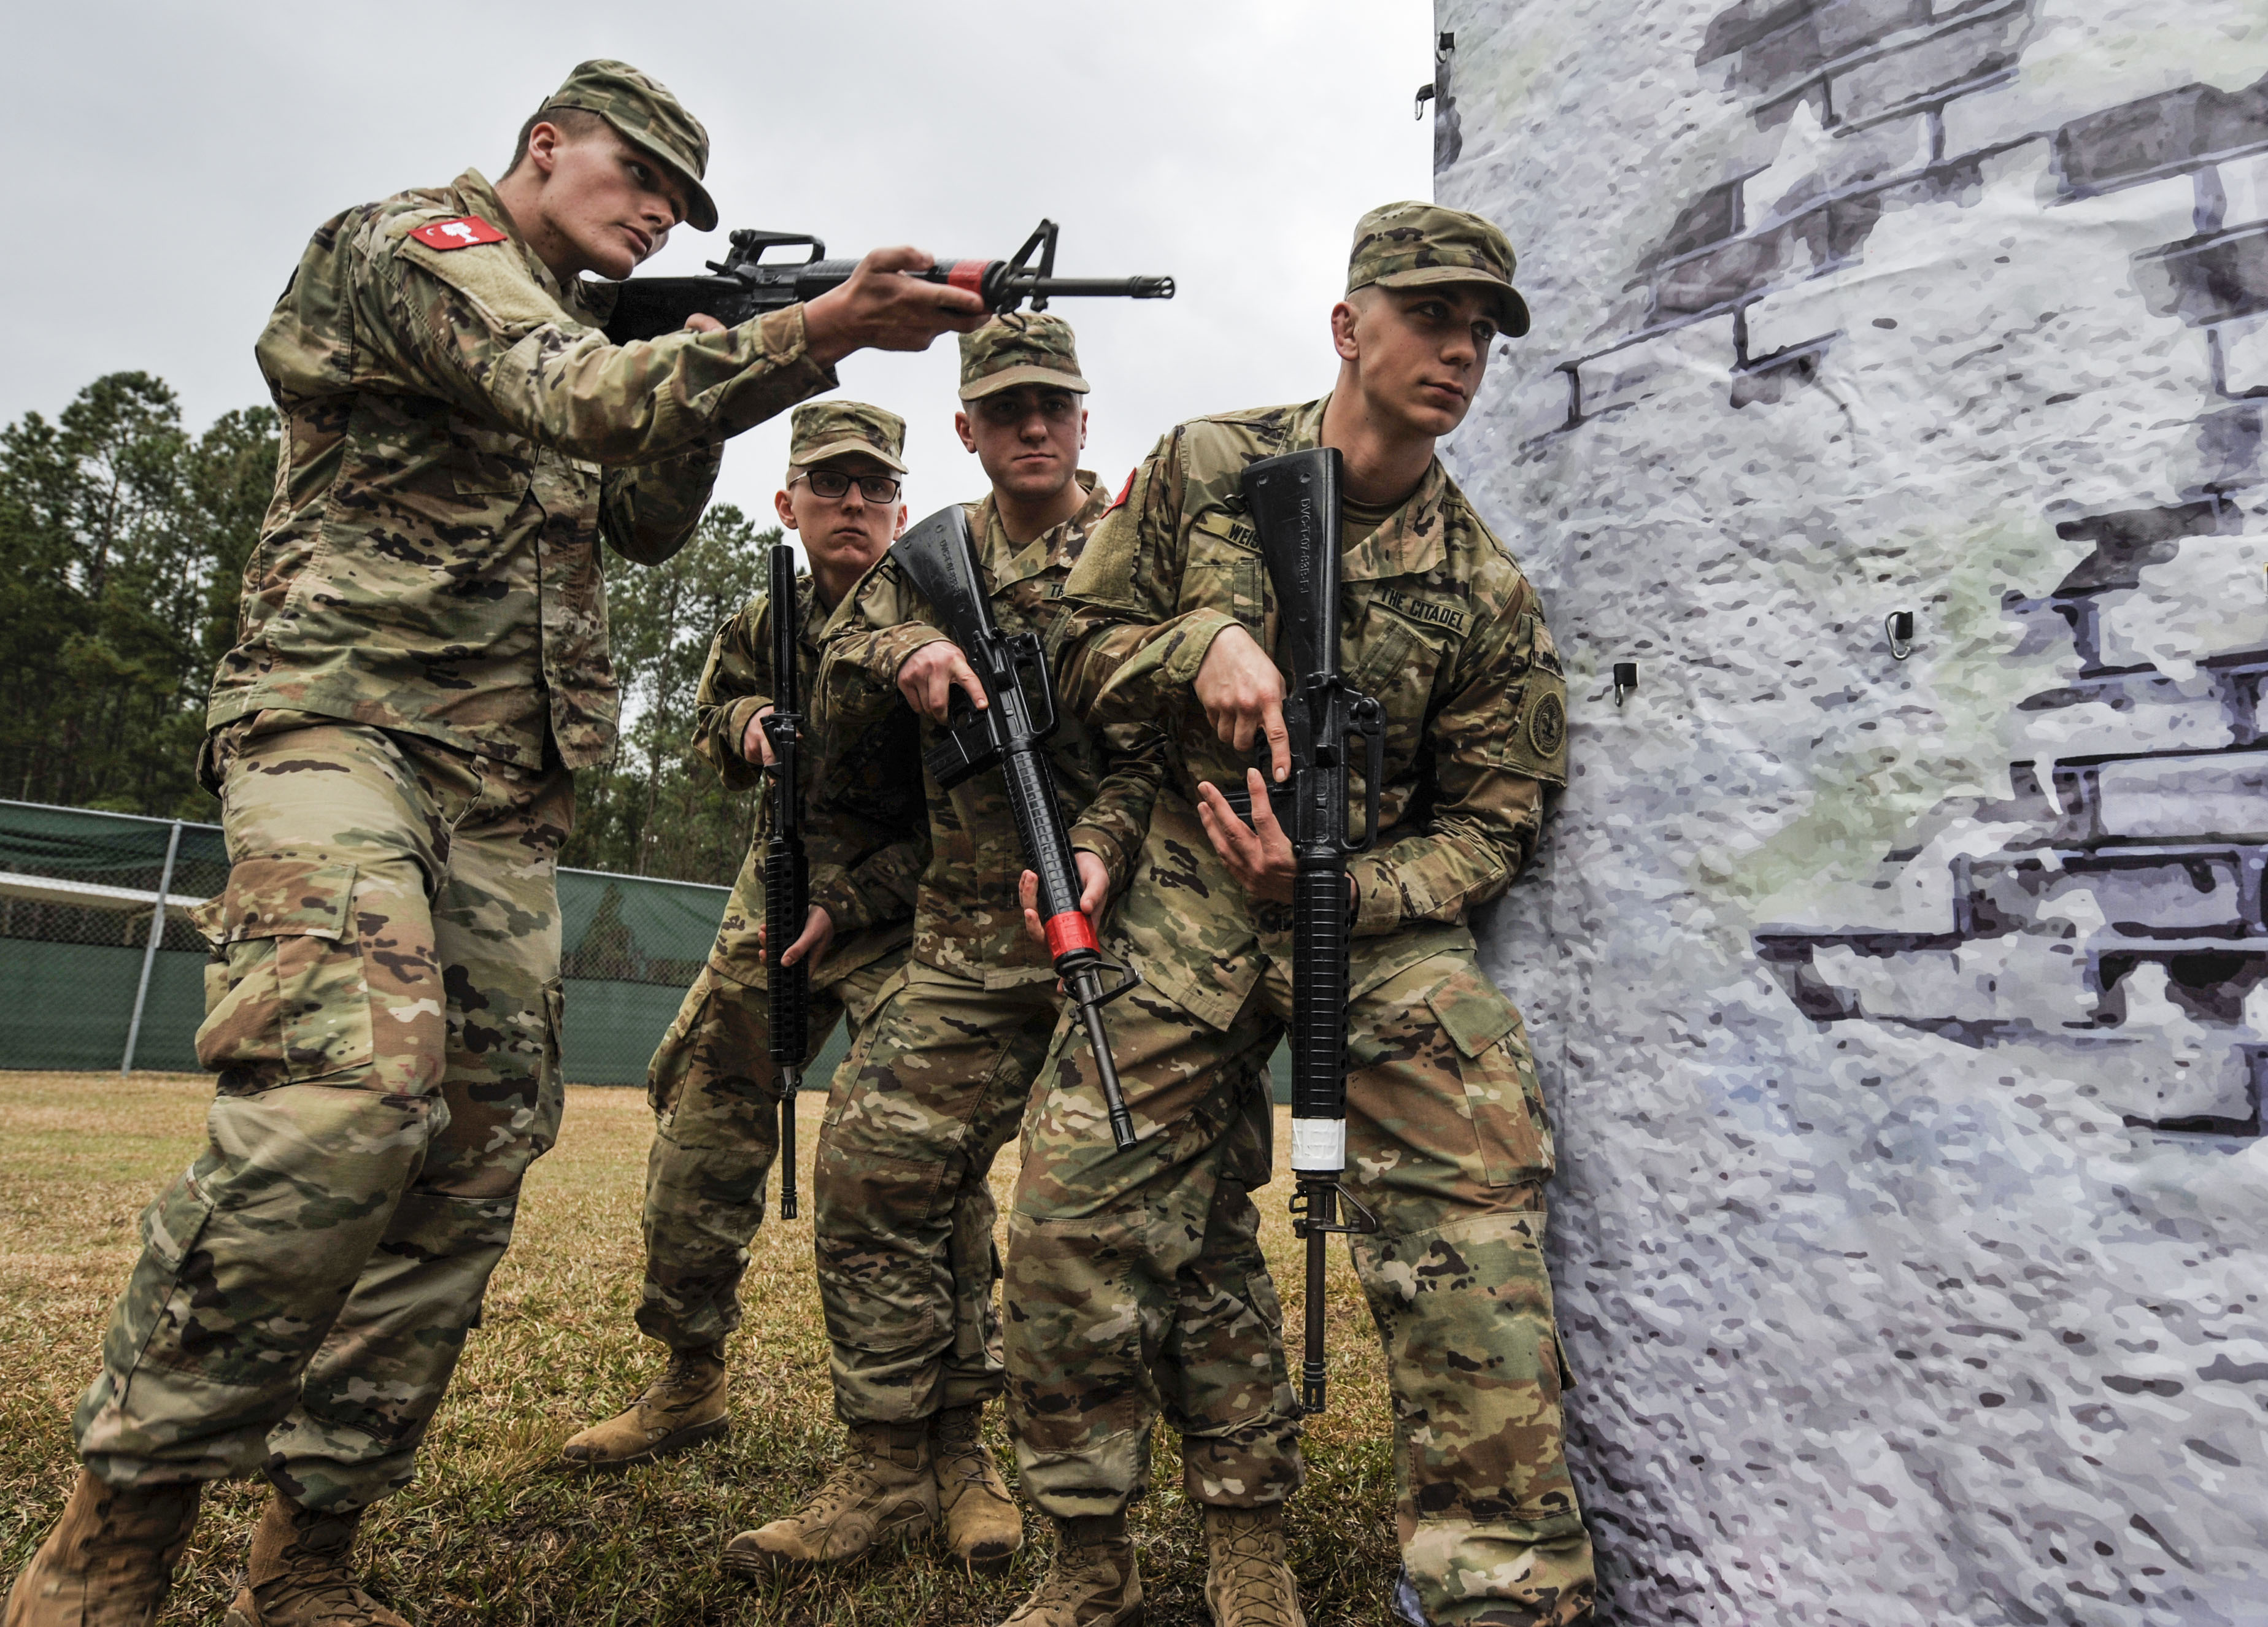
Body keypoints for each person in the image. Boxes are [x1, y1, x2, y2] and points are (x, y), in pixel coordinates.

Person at [4, 60, 983, 1627]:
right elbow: (573, 395)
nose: (655, 207)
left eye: (679, 196)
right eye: (634, 173)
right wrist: (805, 332)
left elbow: (648, 511)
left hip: (503, 792)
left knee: (472, 1148)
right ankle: (109, 1547)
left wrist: (725, 361)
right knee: (345, 1105)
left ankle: (309, 1553)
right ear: (545, 147)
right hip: (342, 735)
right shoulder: (421, 248)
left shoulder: (599, 331)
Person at [993, 202, 1593, 1627]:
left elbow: (1499, 823)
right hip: (1191, 896)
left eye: (1480, 331)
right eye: (1429, 316)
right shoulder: (1206, 468)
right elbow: (1067, 653)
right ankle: (1088, 1557)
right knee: (1073, 1215)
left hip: (1370, 927)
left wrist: (1334, 886)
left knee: (1477, 1198)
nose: (1457, 350)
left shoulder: (1487, 590)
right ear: (1349, 327)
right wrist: (1204, 642)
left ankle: (1501, 1588)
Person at [720, 313, 1159, 1582]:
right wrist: (904, 639)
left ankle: (987, 1464)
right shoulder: (926, 558)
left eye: (1054, 406)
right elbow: (841, 638)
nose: (1032, 427)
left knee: (1092, 1220)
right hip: (960, 949)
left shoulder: (1135, 552)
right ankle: (888, 1468)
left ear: (1083, 419)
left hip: (1108, 938)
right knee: (873, 1177)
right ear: (967, 429)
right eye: (1006, 407)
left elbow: (1150, 754)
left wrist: (1106, 848)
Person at [558, 401, 927, 1472]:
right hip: (776, 890)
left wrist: (856, 897)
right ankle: (689, 1376)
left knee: (910, 1150)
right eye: (828, 484)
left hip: (905, 907)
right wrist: (747, 726)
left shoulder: (939, 611)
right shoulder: (767, 617)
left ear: (899, 510)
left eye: (872, 487)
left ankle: (937, 1432)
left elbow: (969, 814)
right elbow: (708, 725)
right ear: (789, 502)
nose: (850, 503)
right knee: (702, 1120)